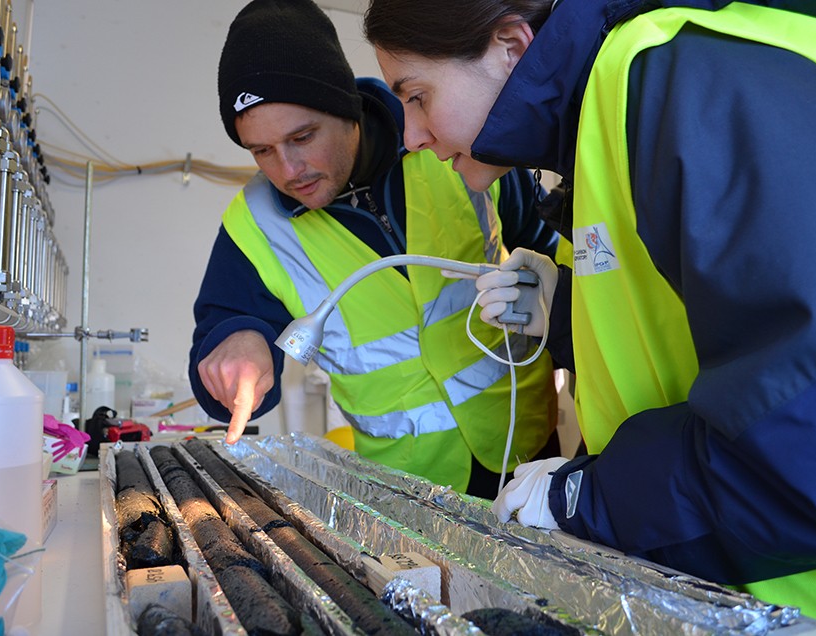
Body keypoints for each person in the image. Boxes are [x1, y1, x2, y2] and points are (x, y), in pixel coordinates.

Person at [364, 0, 816, 632]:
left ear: (512, 48)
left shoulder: (680, 78)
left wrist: (592, 499)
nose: (410, 137)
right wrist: (566, 307)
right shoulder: (606, 110)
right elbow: (694, 331)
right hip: (756, 590)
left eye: (417, 96)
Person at [189, 0, 563, 500]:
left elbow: (549, 247)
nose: (288, 168)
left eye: (303, 137)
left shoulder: (453, 143)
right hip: (405, 490)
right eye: (261, 151)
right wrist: (238, 345)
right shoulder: (253, 225)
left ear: (348, 110)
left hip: (530, 451)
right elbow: (227, 324)